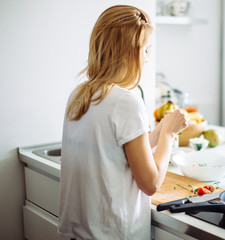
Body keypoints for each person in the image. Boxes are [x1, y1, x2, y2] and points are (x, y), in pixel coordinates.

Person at [58, 5, 189, 240]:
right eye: (146, 51)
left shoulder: (79, 95)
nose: (148, 59)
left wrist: (157, 132)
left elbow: (115, 152)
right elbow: (150, 183)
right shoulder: (126, 101)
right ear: (129, 52)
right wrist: (168, 135)